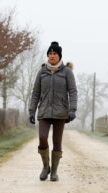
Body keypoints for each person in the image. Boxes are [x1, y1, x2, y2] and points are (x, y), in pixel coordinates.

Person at [29, 41, 78, 181]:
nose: (52, 56)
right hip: (44, 111)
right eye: (50, 53)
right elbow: (35, 93)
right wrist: (32, 111)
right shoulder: (42, 72)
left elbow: (73, 91)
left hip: (60, 113)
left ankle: (54, 171)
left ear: (59, 55)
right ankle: (46, 167)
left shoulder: (67, 72)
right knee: (42, 138)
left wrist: (72, 110)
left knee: (57, 142)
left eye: (54, 53)